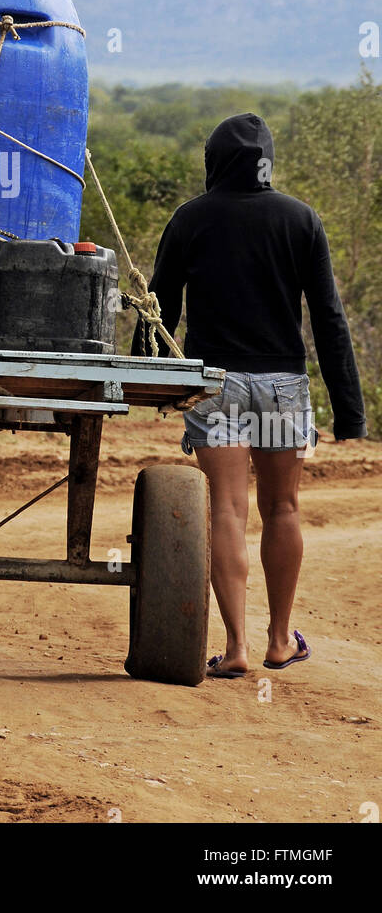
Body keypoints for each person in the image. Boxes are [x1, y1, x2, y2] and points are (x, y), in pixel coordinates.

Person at [132, 113, 366, 678]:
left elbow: (158, 307)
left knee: (228, 511)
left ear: (215, 160)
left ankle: (235, 648)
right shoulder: (301, 220)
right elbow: (329, 320)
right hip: (283, 385)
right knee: (282, 507)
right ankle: (280, 640)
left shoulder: (191, 219)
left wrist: (150, 379)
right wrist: (349, 410)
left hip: (214, 383)